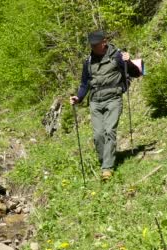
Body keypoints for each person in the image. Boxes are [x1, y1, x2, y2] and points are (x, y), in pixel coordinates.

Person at [70, 30, 130, 181]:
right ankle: (105, 161)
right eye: (92, 45)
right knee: (98, 136)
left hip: (113, 98)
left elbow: (134, 72)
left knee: (110, 131)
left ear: (104, 42)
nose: (93, 47)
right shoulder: (88, 61)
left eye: (95, 45)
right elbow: (85, 83)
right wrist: (79, 97)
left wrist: (128, 61)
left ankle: (107, 168)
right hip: (95, 101)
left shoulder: (117, 55)